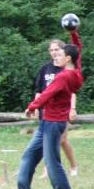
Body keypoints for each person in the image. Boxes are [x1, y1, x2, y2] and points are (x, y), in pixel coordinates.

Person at [4, 26, 83, 189]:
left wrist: (32, 106)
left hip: (54, 123)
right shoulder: (76, 71)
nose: (56, 57)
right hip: (48, 122)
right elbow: (78, 49)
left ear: (68, 58)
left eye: (59, 55)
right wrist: (73, 33)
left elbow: (47, 93)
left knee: (52, 160)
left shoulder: (64, 77)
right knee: (29, 155)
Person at [34, 38, 79, 178]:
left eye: (57, 50)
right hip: (46, 110)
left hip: (62, 110)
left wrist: (73, 108)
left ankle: (64, 166)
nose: (54, 53)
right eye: (51, 50)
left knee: (60, 139)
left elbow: (72, 91)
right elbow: (39, 91)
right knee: (53, 139)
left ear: (63, 52)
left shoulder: (65, 68)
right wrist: (35, 107)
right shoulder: (45, 69)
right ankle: (56, 167)